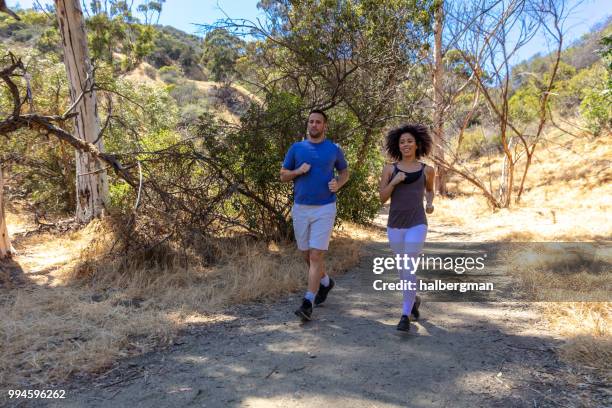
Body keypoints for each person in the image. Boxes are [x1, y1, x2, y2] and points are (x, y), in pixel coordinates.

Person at [280, 109, 349, 321]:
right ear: (307, 124)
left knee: (316, 255)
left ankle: (308, 301)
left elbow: (345, 172)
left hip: (325, 208)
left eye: (318, 122)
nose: (314, 125)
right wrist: (298, 171)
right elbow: (283, 176)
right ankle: (326, 282)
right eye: (311, 121)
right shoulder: (297, 148)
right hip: (301, 208)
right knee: (305, 255)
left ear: (324, 126)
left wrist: (338, 183)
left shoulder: (333, 149)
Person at [378, 124, 434, 332]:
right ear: (397, 146)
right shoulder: (389, 169)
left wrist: (429, 203)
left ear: (417, 144)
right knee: (403, 271)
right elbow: (382, 198)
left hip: (417, 223)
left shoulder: (427, 170)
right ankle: (414, 300)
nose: (406, 144)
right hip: (395, 224)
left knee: (408, 265)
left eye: (410, 141)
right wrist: (394, 182)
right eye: (402, 142)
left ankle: (404, 314)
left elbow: (430, 190)